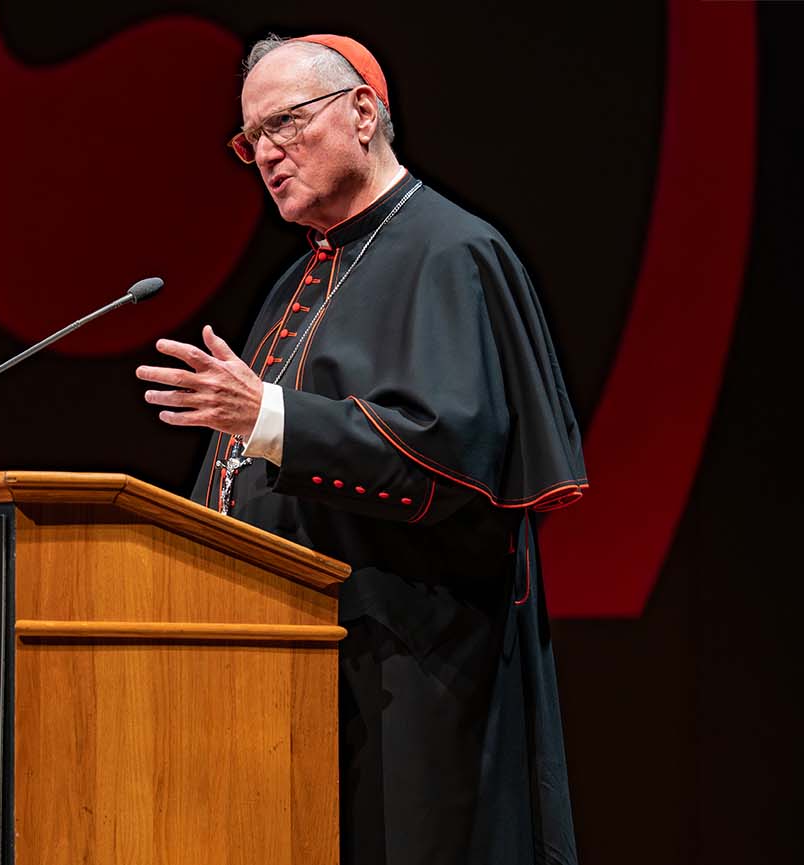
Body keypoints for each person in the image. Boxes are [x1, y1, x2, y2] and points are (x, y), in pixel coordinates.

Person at [135, 33, 587, 865]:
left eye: (284, 124)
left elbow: (447, 458)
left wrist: (269, 415)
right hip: (290, 670)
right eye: (250, 139)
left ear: (363, 113)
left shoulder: (453, 253)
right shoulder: (297, 279)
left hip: (415, 672)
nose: (265, 154)